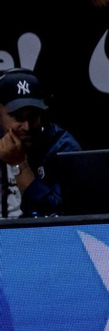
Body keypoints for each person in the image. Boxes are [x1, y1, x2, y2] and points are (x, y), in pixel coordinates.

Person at [0, 69, 80, 219]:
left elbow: (62, 217)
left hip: (40, 239)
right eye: (18, 117)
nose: (27, 127)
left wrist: (20, 165)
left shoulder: (62, 147)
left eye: (33, 116)